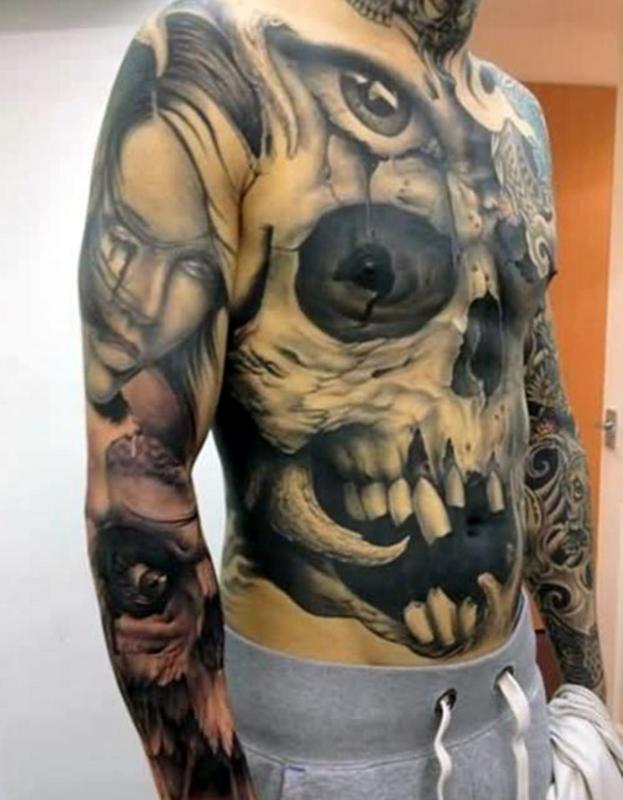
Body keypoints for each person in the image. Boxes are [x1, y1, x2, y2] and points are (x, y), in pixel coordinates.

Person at [77, 0, 607, 797]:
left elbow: (542, 428)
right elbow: (137, 483)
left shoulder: (517, 118)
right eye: (369, 283)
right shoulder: (217, 60)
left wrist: (588, 700)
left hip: (516, 719)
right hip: (321, 749)